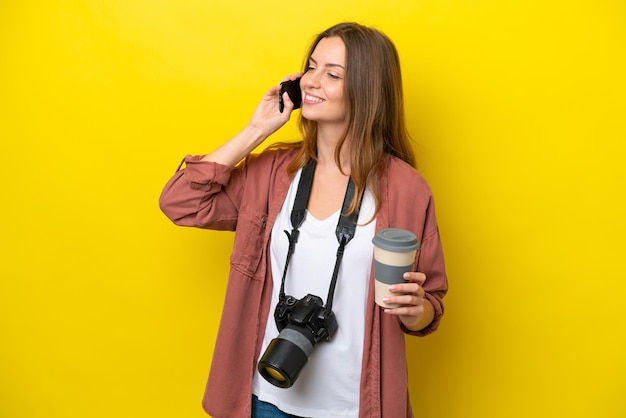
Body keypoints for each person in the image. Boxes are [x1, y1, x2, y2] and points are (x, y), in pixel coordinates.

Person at [160, 22, 448, 418]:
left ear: (367, 89)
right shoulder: (273, 172)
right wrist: (256, 130)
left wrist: (417, 310)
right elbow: (181, 202)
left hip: (355, 405)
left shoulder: (406, 190)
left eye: (332, 74)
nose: (311, 81)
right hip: (267, 400)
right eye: (310, 67)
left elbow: (430, 301)